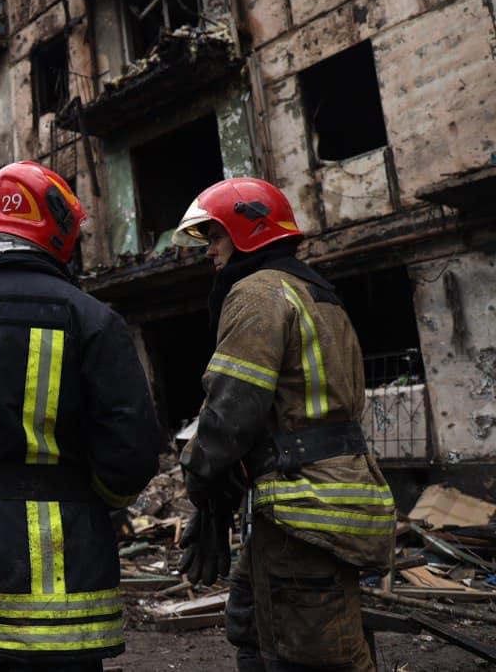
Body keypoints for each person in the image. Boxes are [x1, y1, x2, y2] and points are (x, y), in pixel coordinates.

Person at [0, 161, 163, 671]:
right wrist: (94, 498)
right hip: (63, 582)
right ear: (57, 229)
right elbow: (130, 452)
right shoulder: (92, 320)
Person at [172, 177, 394, 672]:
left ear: (246, 231)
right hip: (327, 499)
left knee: (310, 656)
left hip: (303, 508)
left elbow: (232, 408)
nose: (208, 251)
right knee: (252, 625)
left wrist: (202, 487)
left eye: (215, 237)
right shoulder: (318, 292)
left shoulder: (258, 293)